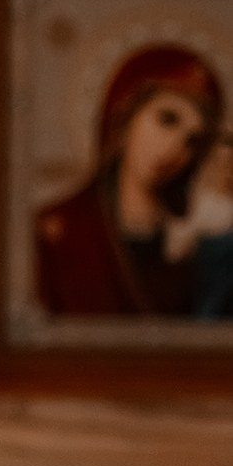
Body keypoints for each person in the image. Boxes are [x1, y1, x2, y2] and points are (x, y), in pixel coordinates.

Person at [34, 44, 231, 317]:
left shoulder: (197, 245)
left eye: (192, 140)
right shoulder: (58, 232)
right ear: (125, 117)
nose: (175, 148)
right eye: (167, 120)